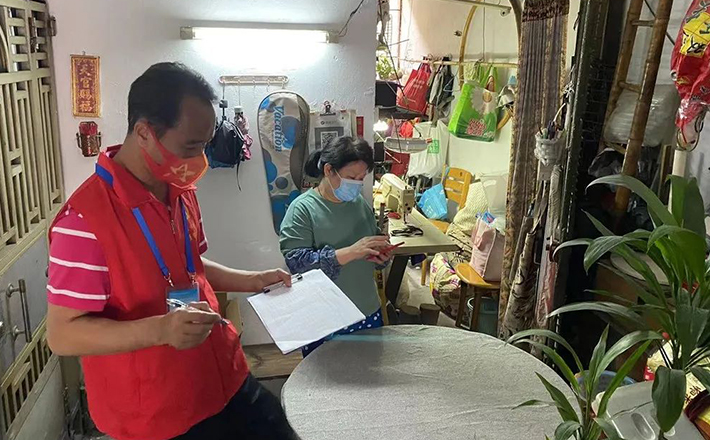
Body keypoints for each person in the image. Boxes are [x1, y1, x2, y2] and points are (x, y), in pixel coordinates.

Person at [46, 62, 299, 440]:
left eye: (204, 145)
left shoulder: (179, 191)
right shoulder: (84, 221)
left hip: (223, 376)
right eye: (191, 146)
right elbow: (63, 334)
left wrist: (252, 280)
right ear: (144, 133)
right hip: (157, 414)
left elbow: (189, 267)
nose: (200, 159)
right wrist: (160, 330)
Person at [279, 137, 391, 356]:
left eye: (361, 178)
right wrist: (350, 252)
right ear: (329, 170)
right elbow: (297, 263)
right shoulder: (302, 209)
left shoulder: (360, 204)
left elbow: (370, 245)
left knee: (369, 372)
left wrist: (381, 256)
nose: (357, 184)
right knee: (325, 376)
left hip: (366, 309)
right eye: (351, 178)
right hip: (324, 318)